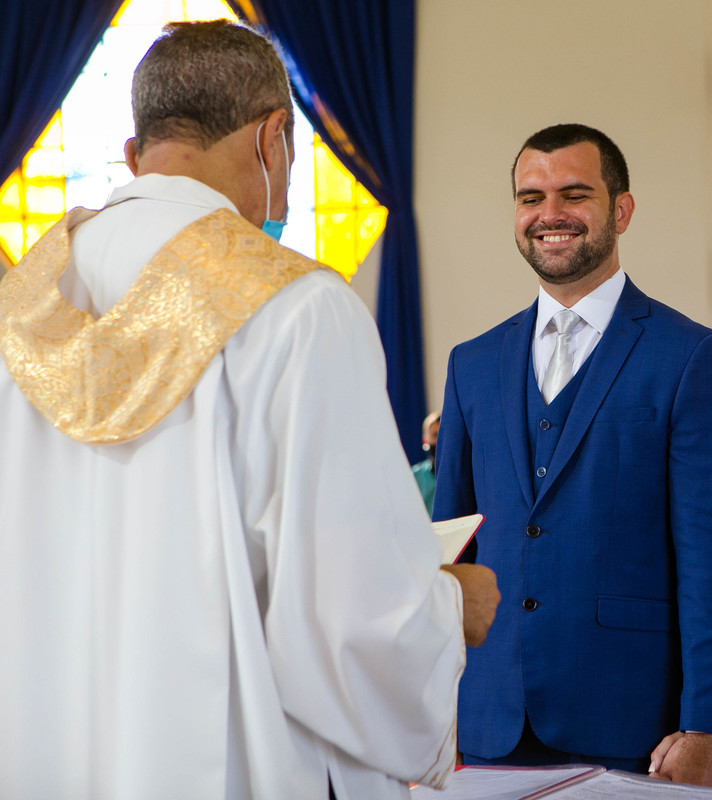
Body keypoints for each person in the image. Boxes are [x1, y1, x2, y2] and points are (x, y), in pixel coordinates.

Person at [0, 21, 499, 800]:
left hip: (45, 754)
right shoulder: (298, 308)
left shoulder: (16, 308)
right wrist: (447, 606)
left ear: (136, 156)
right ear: (275, 140)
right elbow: (351, 620)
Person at [433, 123, 712, 784]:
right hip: (488, 718)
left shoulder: (690, 357)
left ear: (620, 210)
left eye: (574, 194)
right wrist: (434, 705)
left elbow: (709, 558)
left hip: (634, 723)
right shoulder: (472, 364)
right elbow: (452, 553)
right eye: (529, 198)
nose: (550, 214)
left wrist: (710, 722)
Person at [412, 410, 441, 514]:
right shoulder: (414, 478)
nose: (440, 441)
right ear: (425, 441)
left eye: (443, 435)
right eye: (435, 435)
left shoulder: (465, 476)